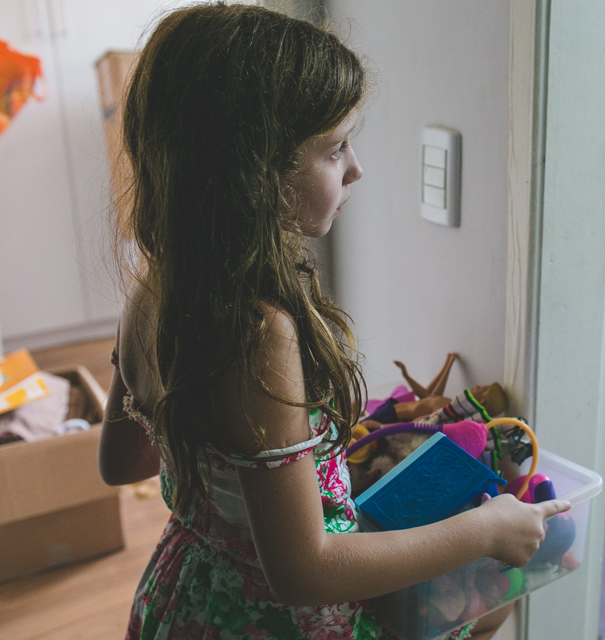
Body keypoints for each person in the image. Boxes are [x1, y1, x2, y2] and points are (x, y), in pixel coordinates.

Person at [97, 5, 569, 639]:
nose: (356, 168)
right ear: (253, 174)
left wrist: (266, 462)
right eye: (334, 148)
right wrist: (482, 529)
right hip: (271, 622)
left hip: (187, 594)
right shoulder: (258, 335)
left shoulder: (152, 293)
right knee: (496, 604)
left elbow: (121, 459)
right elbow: (302, 570)